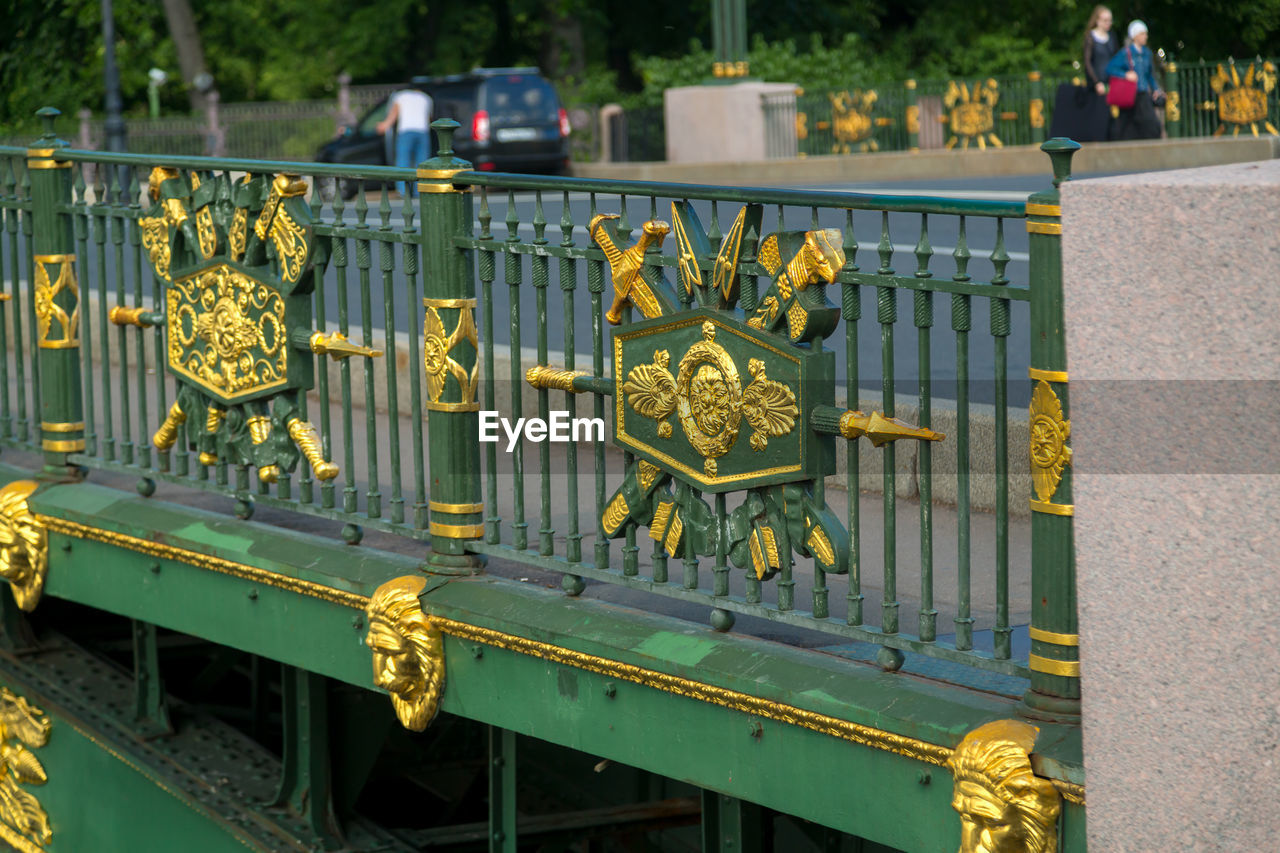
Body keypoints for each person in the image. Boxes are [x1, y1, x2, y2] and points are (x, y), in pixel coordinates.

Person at [1106, 20, 1165, 140]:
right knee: (1126, 124)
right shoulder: (1126, 53)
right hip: (1129, 95)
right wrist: (1125, 75)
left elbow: (1149, 74)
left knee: (1150, 124)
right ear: (1135, 36)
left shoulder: (1146, 53)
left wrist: (1155, 89)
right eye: (1142, 34)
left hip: (1142, 93)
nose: (1145, 37)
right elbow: (1110, 69)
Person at [376, 84, 433, 196]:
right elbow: (429, 119)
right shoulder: (426, 98)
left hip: (406, 131)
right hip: (423, 132)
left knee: (403, 162)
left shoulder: (400, 96)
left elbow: (393, 115)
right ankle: (420, 191)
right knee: (422, 163)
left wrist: (384, 125)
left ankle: (403, 191)